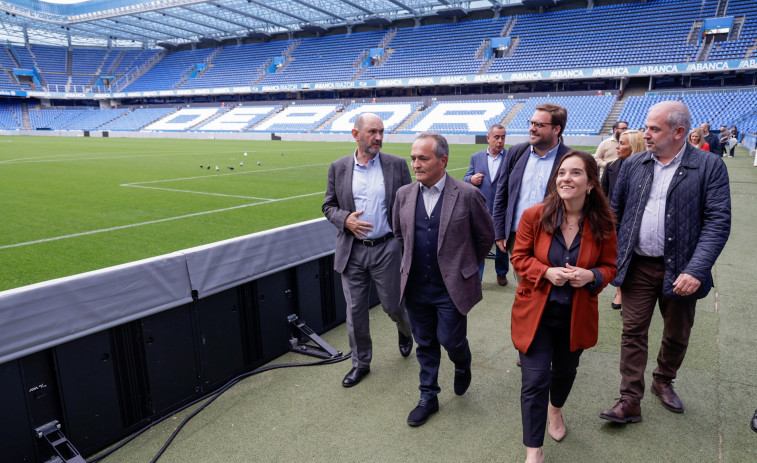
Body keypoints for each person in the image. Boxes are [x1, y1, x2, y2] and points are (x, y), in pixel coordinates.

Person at [600, 101, 731, 424]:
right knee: (632, 331)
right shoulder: (634, 165)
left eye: (654, 129)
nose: (645, 134)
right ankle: (630, 398)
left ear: (679, 132)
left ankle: (663, 378)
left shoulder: (709, 166)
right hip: (638, 267)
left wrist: (696, 269)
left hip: (682, 269)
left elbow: (717, 222)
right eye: (647, 127)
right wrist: (613, 258)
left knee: (676, 333)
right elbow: (615, 215)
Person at [512, 149, 617, 463]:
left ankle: (555, 409)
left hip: (576, 315)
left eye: (575, 173)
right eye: (561, 173)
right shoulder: (534, 215)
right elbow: (519, 258)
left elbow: (610, 266)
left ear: (590, 184)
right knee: (533, 381)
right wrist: (545, 271)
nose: (565, 178)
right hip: (535, 315)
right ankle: (534, 451)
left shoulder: (603, 222)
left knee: (565, 372)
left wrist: (591, 275)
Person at [393, 132, 494, 427]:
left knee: (450, 339)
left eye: (422, 158)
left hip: (450, 289)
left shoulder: (467, 194)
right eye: (413, 158)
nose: (416, 164)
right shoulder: (403, 195)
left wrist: (464, 267)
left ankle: (462, 362)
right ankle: (428, 396)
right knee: (424, 342)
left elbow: (484, 237)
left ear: (443, 160)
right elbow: (401, 235)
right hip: (415, 287)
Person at [322, 113, 414, 388]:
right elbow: (328, 206)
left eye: (381, 132)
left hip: (387, 247)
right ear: (356, 134)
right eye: (373, 132)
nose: (378, 138)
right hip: (352, 251)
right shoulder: (338, 168)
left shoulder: (397, 166)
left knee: (393, 305)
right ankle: (361, 363)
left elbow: (409, 205)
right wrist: (344, 219)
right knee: (355, 311)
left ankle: (405, 331)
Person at [493, 102, 572, 287]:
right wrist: (499, 232)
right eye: (532, 123)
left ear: (556, 129)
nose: (532, 129)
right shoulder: (516, 153)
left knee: (554, 289)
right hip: (517, 236)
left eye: (539, 125)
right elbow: (502, 194)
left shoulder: (570, 159)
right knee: (525, 288)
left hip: (555, 237)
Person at [601, 130, 645, 311]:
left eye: (622, 144)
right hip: (616, 222)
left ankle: (635, 294)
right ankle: (619, 291)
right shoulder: (611, 167)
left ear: (634, 147)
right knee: (619, 258)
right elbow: (603, 196)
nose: (617, 147)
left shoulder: (647, 168)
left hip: (639, 222)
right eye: (618, 143)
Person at [464, 123, 509, 285]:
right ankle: (477, 277)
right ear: (488, 138)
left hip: (502, 211)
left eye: (503, 137)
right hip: (481, 210)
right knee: (480, 245)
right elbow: (466, 177)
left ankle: (501, 272)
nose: (500, 141)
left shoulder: (510, 157)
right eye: (496, 137)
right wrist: (471, 179)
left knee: (502, 244)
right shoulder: (476, 158)